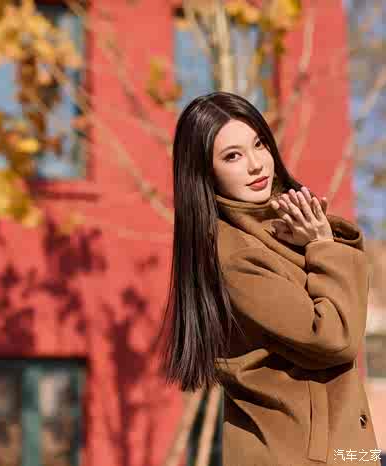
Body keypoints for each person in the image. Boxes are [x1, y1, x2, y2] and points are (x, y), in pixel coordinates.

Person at [160, 91, 380, 465]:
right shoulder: (237, 256)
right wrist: (321, 245)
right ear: (204, 173)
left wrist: (319, 239)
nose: (256, 164)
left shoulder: (274, 230)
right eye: (233, 156)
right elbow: (333, 337)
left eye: (259, 144)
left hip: (343, 453)